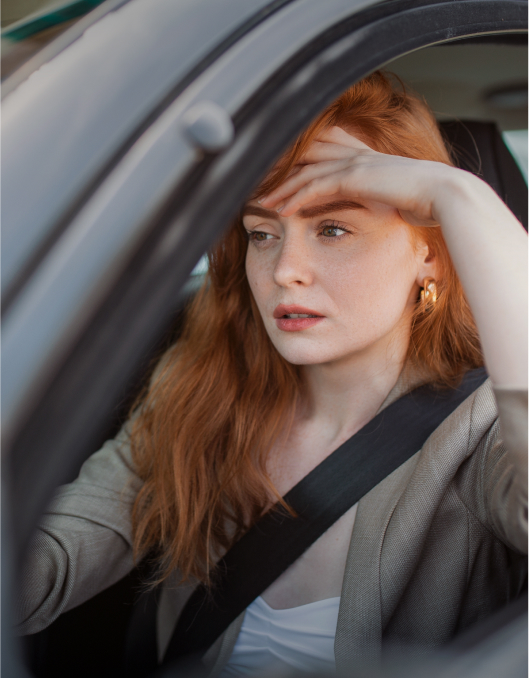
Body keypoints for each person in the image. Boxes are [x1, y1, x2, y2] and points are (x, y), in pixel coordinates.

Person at [16, 72, 527, 677]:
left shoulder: (481, 436)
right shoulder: (204, 391)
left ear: (431, 255)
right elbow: (54, 553)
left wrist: (459, 195)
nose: (285, 270)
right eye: (262, 233)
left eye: (332, 228)